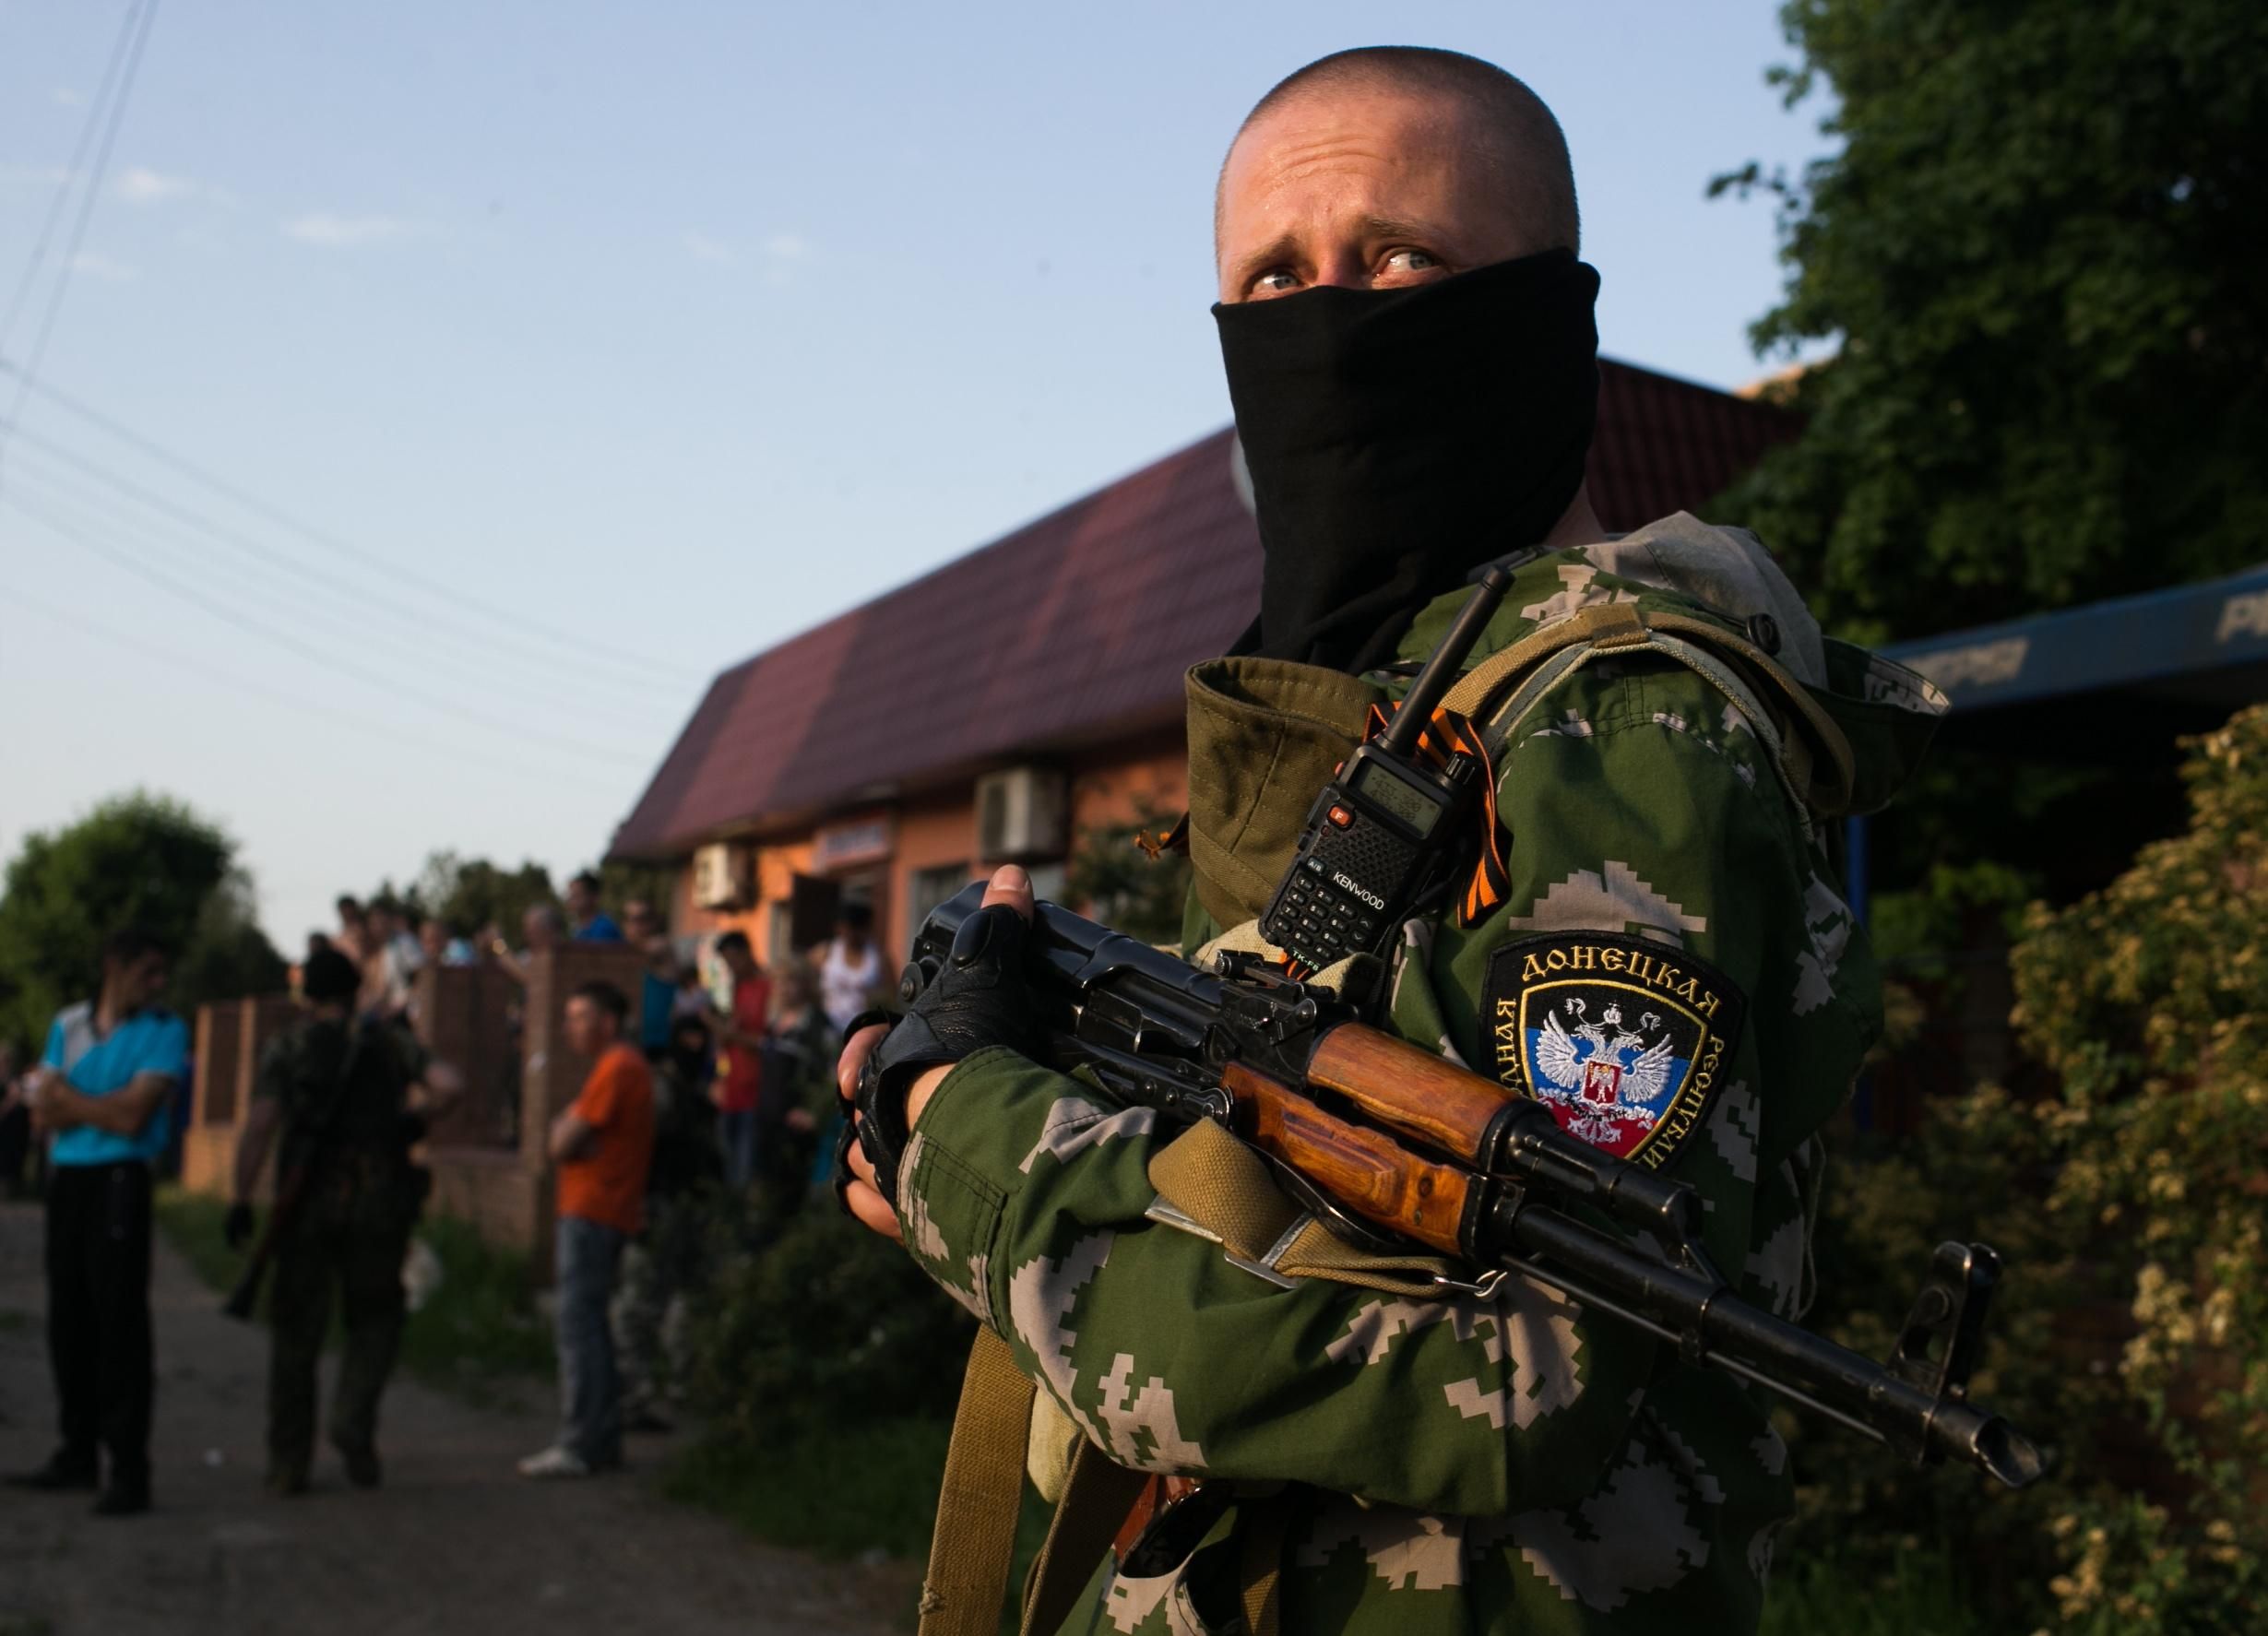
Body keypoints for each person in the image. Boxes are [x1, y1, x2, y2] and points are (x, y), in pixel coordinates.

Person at [837, 47, 1946, 1635]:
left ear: (1547, 315)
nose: (1328, 321)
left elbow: (1520, 1368)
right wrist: (974, 1119)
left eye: (1400, 258)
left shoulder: (1610, 717)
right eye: (1272, 277)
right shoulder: (1414, 717)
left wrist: (967, 1140)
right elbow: (1289, 1209)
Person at [227, 948, 465, 1494]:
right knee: (376, 1320)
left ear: (307, 997)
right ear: (355, 991)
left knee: (295, 1336)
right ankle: (352, 1419)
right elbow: (450, 1086)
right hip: (380, 1204)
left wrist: (241, 1199)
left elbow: (261, 1124)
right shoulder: (387, 1043)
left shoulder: (287, 1048)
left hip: (307, 1204)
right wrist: (410, 1120)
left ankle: (288, 1465)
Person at [7, 927, 187, 1516]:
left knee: (119, 1323)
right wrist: (94, 1109)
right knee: (70, 1318)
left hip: (119, 1181)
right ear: (116, 965)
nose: (158, 985)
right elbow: (40, 1113)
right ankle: (77, 1449)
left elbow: (135, 1117)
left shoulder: (164, 1032)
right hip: (69, 1180)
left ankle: (129, 1468)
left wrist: (70, 1105)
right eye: (149, 972)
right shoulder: (69, 1025)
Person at [520, 980, 654, 1479]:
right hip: (600, 1212)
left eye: (579, 1016)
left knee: (580, 1329)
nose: (569, 1026)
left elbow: (560, 1142)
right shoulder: (617, 1067)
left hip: (594, 1211)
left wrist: (565, 1127)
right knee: (590, 1327)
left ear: (608, 1022)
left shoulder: (617, 1067)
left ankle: (582, 1443)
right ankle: (599, 1440)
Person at [614, 1011, 724, 1430]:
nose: (695, 1046)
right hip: (660, 1207)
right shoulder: (661, 1090)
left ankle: (678, 1386)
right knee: (640, 1303)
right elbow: (643, 1150)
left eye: (701, 1038)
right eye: (688, 1038)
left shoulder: (693, 1093)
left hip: (689, 1210)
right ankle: (635, 1398)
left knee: (684, 1299)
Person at [752, 964, 833, 1231]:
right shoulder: (775, 1022)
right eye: (780, 982)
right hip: (768, 1122)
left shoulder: (818, 1026)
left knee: (792, 1199)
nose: (784, 989)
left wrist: (814, 1112)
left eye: (791, 982)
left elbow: (832, 1076)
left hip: (797, 1130)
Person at [711, 931, 770, 1190]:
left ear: (747, 953)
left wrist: (733, 1035)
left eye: (733, 959)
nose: (731, 967)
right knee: (729, 1167)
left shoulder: (767, 987)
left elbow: (768, 1042)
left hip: (755, 1090)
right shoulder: (736, 989)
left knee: (747, 1170)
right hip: (731, 1091)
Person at [815, 901, 882, 1034]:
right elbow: (803, 977)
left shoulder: (878, 958)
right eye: (845, 928)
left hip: (863, 1030)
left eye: (855, 929)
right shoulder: (826, 951)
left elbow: (891, 994)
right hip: (829, 1029)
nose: (850, 934)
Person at [623, 898, 677, 1058]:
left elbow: (642, 952)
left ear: (654, 921)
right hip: (639, 1039)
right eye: (631, 920)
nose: (637, 925)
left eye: (642, 919)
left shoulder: (661, 945)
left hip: (661, 1042)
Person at [360, 898, 423, 1021]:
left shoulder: (406, 942)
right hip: (392, 1010)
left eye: (381, 921)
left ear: (391, 920)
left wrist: (397, 1006)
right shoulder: (385, 948)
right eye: (374, 923)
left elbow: (421, 978)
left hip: (409, 1012)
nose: (378, 926)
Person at [564, 871, 623, 943]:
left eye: (577, 896)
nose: (571, 900)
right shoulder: (579, 930)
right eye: (571, 896)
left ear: (593, 897)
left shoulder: (604, 929)